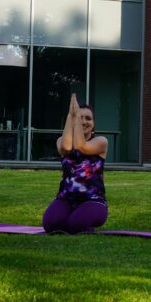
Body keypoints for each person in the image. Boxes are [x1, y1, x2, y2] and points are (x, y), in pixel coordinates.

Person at [42, 94, 109, 234]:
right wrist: (70, 115)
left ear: (94, 124)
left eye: (88, 118)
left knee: (75, 225)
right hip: (66, 198)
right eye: (80, 117)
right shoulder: (61, 140)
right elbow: (66, 148)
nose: (84, 121)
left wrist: (77, 116)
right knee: (50, 224)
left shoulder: (101, 142)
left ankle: (82, 221)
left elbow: (81, 146)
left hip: (93, 200)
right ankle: (71, 217)